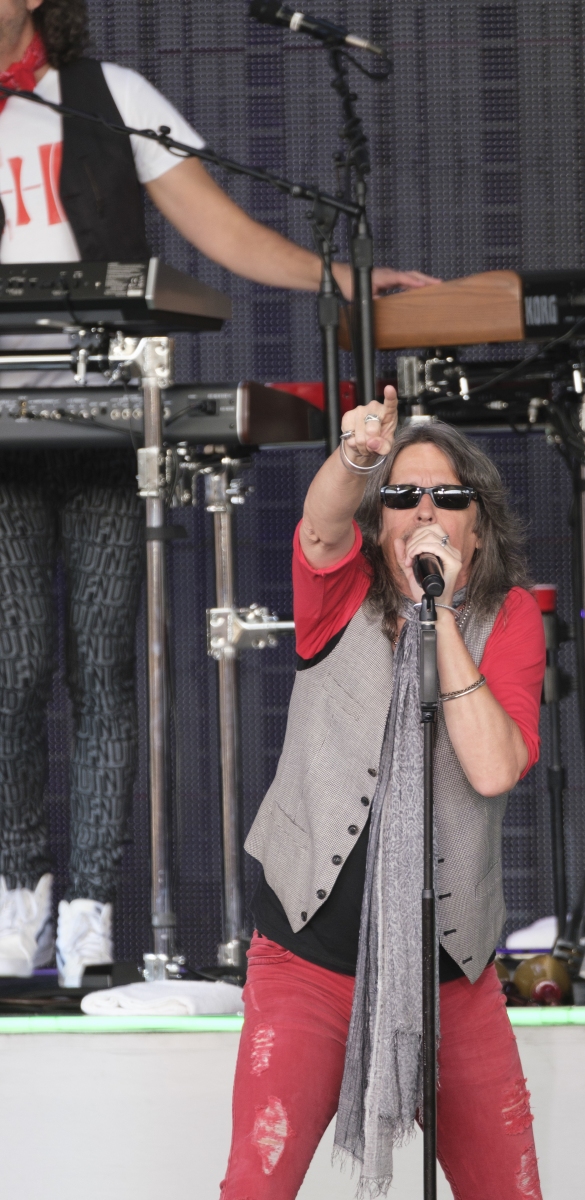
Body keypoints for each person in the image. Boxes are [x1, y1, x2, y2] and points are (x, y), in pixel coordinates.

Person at [0, 0, 437, 986]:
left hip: (112, 419)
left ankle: (88, 915)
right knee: (14, 668)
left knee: (103, 669)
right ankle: (16, 894)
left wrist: (343, 280)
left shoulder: (109, 98)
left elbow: (226, 235)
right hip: (2, 431)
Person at [223, 386, 546, 1199]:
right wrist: (357, 458)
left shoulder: (509, 619)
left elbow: (493, 767)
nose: (425, 510)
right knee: (254, 1186)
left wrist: (440, 617)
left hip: (451, 977)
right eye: (402, 495)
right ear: (379, 521)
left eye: (448, 497)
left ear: (478, 526)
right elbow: (320, 523)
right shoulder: (339, 593)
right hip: (307, 961)